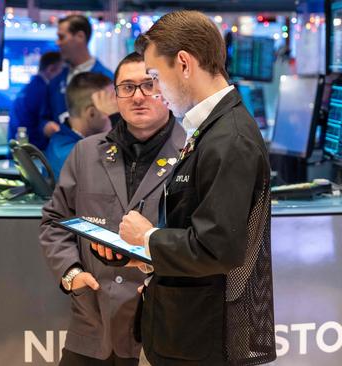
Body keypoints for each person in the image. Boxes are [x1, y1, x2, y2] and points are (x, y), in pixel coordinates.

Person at [96, 10, 276, 366]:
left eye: (155, 77)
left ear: (183, 64)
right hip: (184, 331)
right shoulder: (211, 128)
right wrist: (153, 259)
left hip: (204, 341)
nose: (155, 91)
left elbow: (216, 247)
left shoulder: (230, 138)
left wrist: (148, 238)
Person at [39, 52, 185, 366]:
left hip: (160, 329)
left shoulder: (192, 153)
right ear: (114, 96)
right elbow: (54, 220)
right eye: (127, 87)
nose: (138, 96)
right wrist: (71, 274)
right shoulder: (85, 152)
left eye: (149, 85)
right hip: (92, 326)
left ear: (167, 91)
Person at [41, 14, 115, 139]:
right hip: (60, 152)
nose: (57, 43)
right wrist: (46, 126)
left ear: (80, 37)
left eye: (61, 37)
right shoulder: (55, 81)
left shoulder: (108, 81)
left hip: (95, 154)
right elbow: (43, 118)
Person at [45, 72, 115, 180]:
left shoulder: (62, 140)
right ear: (91, 113)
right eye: (112, 108)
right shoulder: (74, 154)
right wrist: (115, 121)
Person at [8, 51, 63, 150]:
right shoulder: (43, 90)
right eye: (62, 71)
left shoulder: (30, 87)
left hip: (18, 149)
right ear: (51, 69)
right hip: (33, 152)